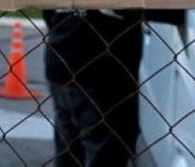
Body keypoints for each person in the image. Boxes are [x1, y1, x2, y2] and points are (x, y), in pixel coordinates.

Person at [43, 9, 144, 166]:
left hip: (61, 54)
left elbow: (47, 10)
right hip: (103, 71)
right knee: (104, 151)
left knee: (69, 145)